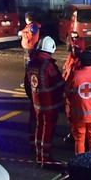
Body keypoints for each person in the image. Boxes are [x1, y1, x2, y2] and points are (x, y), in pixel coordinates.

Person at [24, 36, 65, 166]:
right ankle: (46, 159)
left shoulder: (31, 63)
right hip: (50, 104)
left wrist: (33, 98)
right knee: (47, 130)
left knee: (39, 127)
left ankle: (39, 156)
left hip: (37, 103)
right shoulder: (48, 65)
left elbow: (27, 84)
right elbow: (59, 84)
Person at [64, 50, 91, 154]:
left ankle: (79, 164)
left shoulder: (74, 75)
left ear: (80, 62)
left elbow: (67, 93)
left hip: (79, 115)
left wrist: (75, 102)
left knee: (79, 139)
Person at [62, 37, 86, 144]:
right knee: (70, 116)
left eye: (77, 49)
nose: (74, 51)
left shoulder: (83, 61)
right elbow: (65, 72)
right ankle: (73, 134)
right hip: (68, 93)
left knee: (78, 118)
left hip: (76, 94)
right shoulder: (70, 58)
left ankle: (78, 138)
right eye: (73, 48)